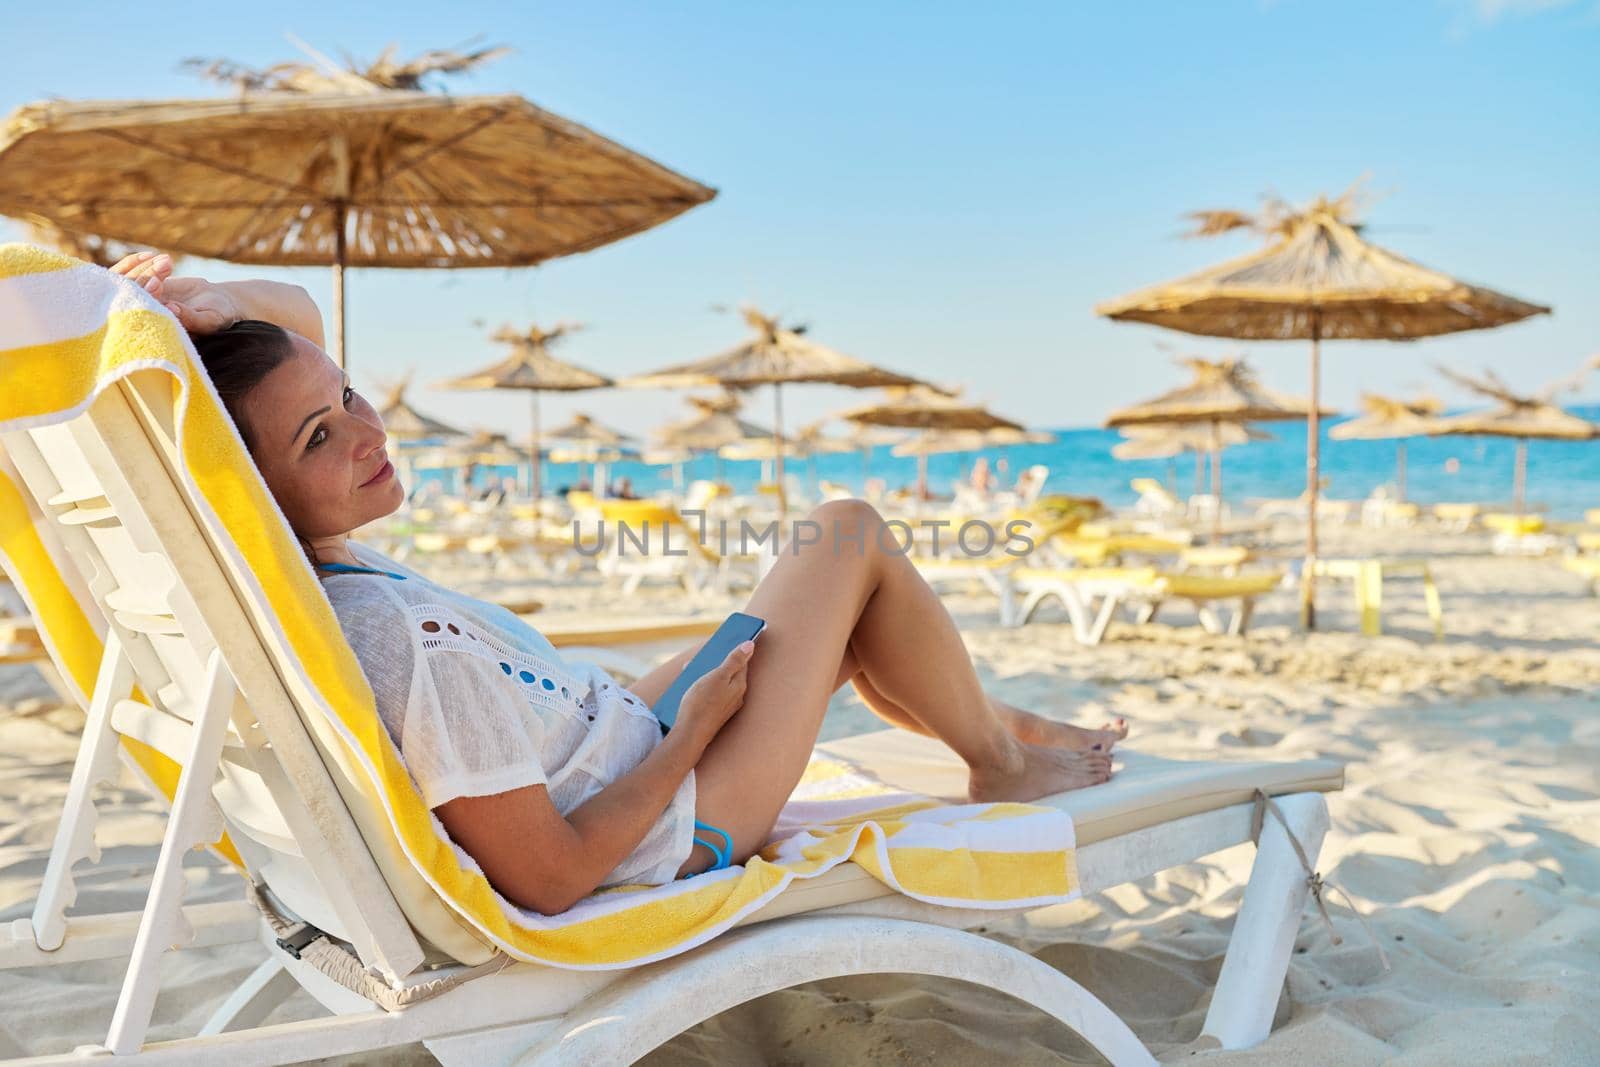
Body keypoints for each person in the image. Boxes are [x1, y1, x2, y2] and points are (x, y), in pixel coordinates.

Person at [115, 252, 1123, 915]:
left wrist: (201, 308)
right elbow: (550, 876)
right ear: (245, 484)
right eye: (319, 435)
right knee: (847, 532)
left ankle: (1002, 728)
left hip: (612, 731)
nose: (370, 431)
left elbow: (294, 322)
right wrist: (687, 735)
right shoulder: (401, 637)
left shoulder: (313, 572)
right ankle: (999, 751)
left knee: (834, 591)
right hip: (680, 814)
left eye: (349, 396)